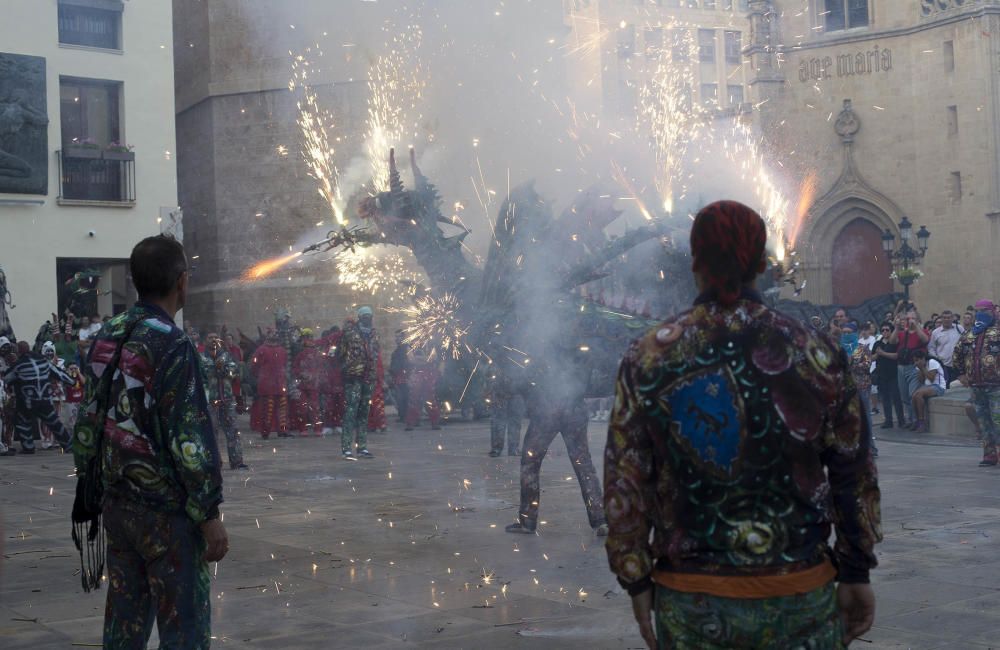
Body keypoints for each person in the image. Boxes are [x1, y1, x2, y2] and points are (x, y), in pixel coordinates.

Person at [604, 201, 881, 649]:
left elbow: (626, 477)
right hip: (800, 594)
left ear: (695, 264)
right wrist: (855, 570)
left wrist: (635, 577)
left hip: (693, 600)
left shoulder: (651, 355)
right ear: (761, 264)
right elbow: (854, 468)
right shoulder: (814, 350)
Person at [71, 234, 227, 648]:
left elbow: (88, 417)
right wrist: (209, 512)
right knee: (184, 629)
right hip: (166, 514)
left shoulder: (109, 333)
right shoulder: (172, 344)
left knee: (125, 623)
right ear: (182, 282)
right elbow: (189, 436)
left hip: (117, 506)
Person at [506, 342, 607, 538]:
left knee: (530, 463)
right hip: (575, 412)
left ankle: (527, 521)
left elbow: (521, 383)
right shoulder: (582, 355)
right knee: (584, 465)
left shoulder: (542, 354)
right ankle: (600, 519)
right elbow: (595, 385)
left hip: (547, 413)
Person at [3, 339, 75, 454]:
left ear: (19, 352)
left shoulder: (19, 365)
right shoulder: (43, 361)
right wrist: (72, 381)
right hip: (45, 400)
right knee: (54, 422)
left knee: (21, 420)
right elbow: (59, 373)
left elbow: (6, 379)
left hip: (27, 402)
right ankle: (68, 445)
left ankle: (28, 446)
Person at [952, 300, 1000, 466]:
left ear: (992, 311)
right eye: (977, 311)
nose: (980, 314)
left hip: (996, 385)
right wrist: (961, 374)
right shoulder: (969, 334)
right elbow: (957, 354)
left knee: (998, 419)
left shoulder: (998, 331)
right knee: (984, 421)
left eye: (984, 311)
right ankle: (989, 454)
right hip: (976, 385)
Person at [202, 332, 247, 469]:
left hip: (226, 399)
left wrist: (224, 368)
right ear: (206, 341)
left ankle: (237, 461)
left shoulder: (226, 356)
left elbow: (234, 372)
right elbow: (202, 374)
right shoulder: (201, 357)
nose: (214, 340)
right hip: (210, 401)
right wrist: (214, 367)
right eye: (210, 337)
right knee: (211, 432)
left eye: (216, 337)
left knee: (232, 431)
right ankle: (215, 462)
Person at [338, 307, 379, 459]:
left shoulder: (374, 335)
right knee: (350, 412)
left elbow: (375, 355)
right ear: (360, 317)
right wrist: (347, 370)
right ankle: (346, 448)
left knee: (364, 413)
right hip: (353, 378)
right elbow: (340, 354)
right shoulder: (349, 334)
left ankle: (362, 447)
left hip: (368, 378)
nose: (368, 318)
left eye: (370, 316)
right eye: (365, 316)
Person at [888, 310, 929, 428]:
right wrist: (896, 328)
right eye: (907, 319)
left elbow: (925, 340)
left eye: (912, 318)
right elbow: (892, 341)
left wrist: (916, 327)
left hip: (914, 366)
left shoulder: (922, 331)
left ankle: (917, 420)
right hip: (901, 366)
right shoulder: (902, 333)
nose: (909, 321)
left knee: (913, 394)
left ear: (917, 319)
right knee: (904, 396)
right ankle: (910, 420)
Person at [250, 331, 289, 439]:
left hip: (275, 384)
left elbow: (254, 367)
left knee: (279, 409)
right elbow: (254, 366)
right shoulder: (262, 350)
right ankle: (268, 432)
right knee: (269, 409)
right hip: (270, 385)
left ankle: (280, 430)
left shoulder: (278, 350)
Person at [873, 322, 905, 429]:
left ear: (891, 331)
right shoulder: (877, 343)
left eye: (887, 330)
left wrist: (883, 354)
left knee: (897, 398)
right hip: (881, 374)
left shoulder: (894, 342)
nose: (885, 332)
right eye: (883, 330)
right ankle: (888, 420)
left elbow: (896, 356)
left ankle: (901, 420)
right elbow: (872, 357)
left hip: (893, 374)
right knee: (885, 399)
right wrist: (878, 354)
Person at [291, 328, 323, 436]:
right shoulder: (301, 353)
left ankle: (314, 429)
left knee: (312, 408)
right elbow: (295, 368)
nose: (308, 340)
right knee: (304, 408)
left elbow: (320, 368)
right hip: (303, 385)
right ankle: (307, 429)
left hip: (311, 385)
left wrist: (313, 376)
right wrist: (302, 374)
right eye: (306, 337)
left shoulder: (315, 354)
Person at [488, 365, 523, 457]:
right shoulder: (499, 360)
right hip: (501, 395)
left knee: (513, 423)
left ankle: (512, 448)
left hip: (515, 395)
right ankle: (497, 449)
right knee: (498, 423)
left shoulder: (517, 361)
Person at [404, 350, 442, 431]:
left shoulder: (431, 345)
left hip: (428, 376)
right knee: (414, 400)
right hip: (417, 376)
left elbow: (434, 359)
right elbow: (410, 360)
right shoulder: (412, 346)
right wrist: (425, 360)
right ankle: (411, 422)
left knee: (430, 400)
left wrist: (420, 360)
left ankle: (435, 422)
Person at [909, 349, 945, 433]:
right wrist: (920, 369)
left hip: (938, 387)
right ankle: (917, 421)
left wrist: (922, 368)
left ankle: (922, 423)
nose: (916, 362)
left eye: (917, 360)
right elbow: (921, 380)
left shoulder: (932, 362)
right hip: (927, 386)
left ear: (923, 358)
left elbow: (931, 378)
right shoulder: (919, 367)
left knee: (918, 394)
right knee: (914, 396)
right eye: (915, 361)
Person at [319, 326, 344, 436]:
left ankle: (337, 424)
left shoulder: (342, 345)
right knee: (330, 404)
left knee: (338, 404)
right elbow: (329, 358)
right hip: (330, 380)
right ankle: (329, 425)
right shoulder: (331, 347)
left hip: (338, 379)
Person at [928, 310, 961, 387]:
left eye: (949, 317)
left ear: (952, 318)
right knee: (945, 387)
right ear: (941, 319)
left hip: (957, 365)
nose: (947, 319)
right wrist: (937, 359)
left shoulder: (959, 329)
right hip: (943, 365)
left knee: (957, 388)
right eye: (944, 318)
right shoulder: (936, 332)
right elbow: (931, 348)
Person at [388, 333, 410, 423]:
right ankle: (402, 415)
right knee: (400, 397)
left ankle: (406, 416)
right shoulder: (398, 350)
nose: (396, 339)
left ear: (403, 338)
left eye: (399, 337)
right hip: (398, 377)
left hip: (404, 377)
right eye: (396, 337)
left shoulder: (406, 349)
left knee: (404, 397)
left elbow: (408, 363)